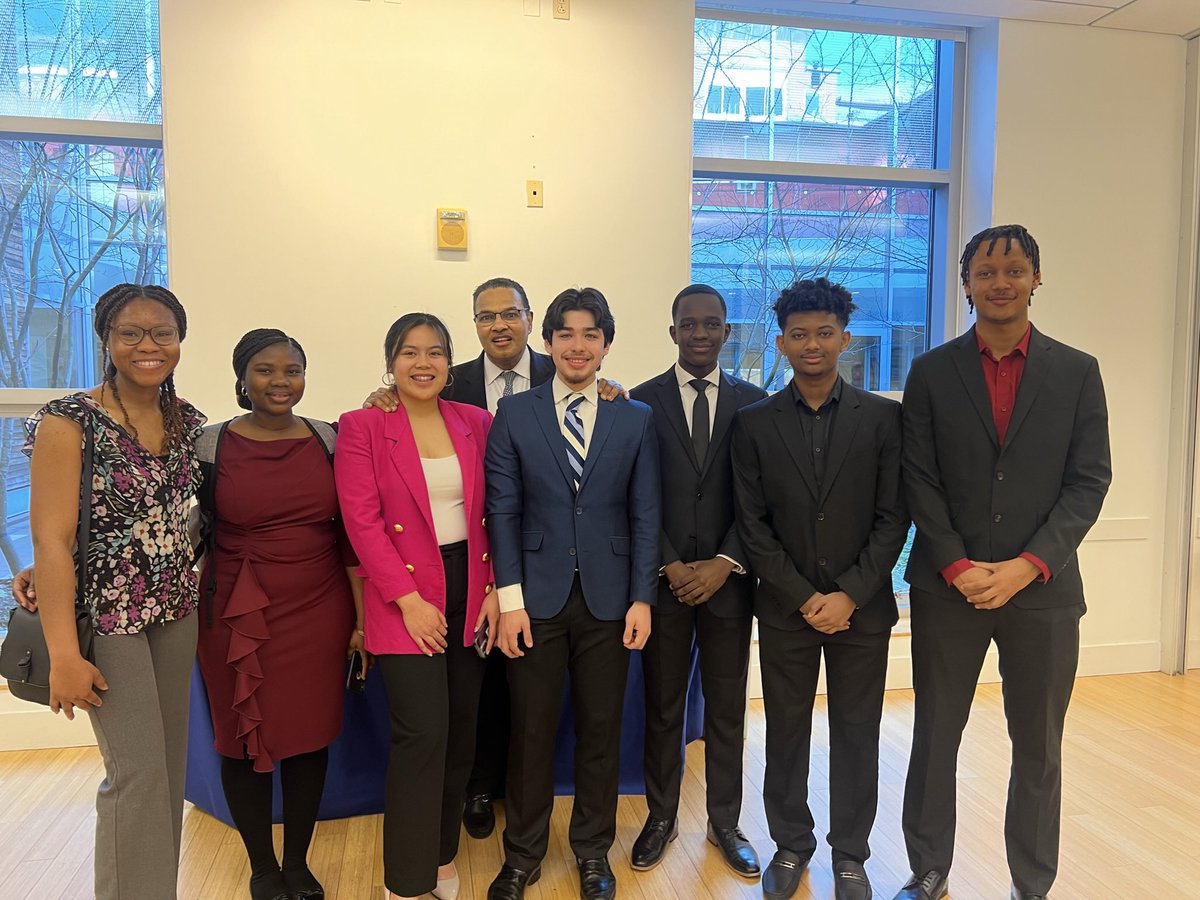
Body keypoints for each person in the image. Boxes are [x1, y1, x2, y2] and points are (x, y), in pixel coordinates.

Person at [895, 225, 1110, 900]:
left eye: (1014, 270)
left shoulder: (1078, 372)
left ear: (1036, 279)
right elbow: (917, 477)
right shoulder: (930, 372)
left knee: (1039, 747)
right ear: (966, 285)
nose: (1000, 282)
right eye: (985, 272)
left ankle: (1032, 881)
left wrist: (1027, 565)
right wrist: (956, 565)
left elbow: (1089, 481)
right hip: (945, 589)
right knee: (935, 737)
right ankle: (929, 870)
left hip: (1042, 594)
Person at [21, 284, 204, 899]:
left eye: (162, 333)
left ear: (180, 341)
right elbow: (49, 539)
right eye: (131, 332)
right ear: (107, 339)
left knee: (167, 773)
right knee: (137, 774)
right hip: (108, 621)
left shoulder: (188, 421)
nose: (148, 346)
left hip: (177, 613)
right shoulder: (68, 420)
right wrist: (65, 655)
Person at [732, 278, 908, 900]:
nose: (813, 345)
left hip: (862, 610)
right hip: (785, 609)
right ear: (781, 343)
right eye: (800, 335)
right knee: (784, 731)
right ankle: (791, 844)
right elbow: (752, 526)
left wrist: (850, 594)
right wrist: (805, 596)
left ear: (845, 339)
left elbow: (895, 518)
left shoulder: (886, 418)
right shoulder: (753, 424)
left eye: (824, 334)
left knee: (858, 732)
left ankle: (852, 855)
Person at [484, 287, 660, 900]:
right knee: (529, 732)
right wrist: (509, 601)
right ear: (548, 342)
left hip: (612, 602)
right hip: (534, 600)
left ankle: (592, 852)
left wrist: (643, 598)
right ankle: (523, 855)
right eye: (565, 334)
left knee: (600, 729)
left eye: (590, 334)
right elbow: (501, 510)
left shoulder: (633, 418)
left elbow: (645, 514)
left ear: (606, 345)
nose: (577, 345)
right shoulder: (516, 414)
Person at [193, 328, 363, 900]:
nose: (280, 381)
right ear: (242, 378)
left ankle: (297, 863)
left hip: (318, 608)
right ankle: (262, 866)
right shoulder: (208, 445)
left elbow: (350, 537)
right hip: (233, 610)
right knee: (240, 735)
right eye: (266, 370)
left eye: (292, 370)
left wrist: (361, 621)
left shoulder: (329, 439)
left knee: (309, 737)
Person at [335, 313, 499, 900]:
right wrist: (408, 600)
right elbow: (361, 521)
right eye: (409, 352)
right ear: (390, 361)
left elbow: (498, 513)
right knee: (422, 733)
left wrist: (492, 593)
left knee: (460, 731)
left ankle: (441, 856)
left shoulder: (476, 422)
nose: (422, 363)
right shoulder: (362, 426)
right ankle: (406, 881)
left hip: (472, 589)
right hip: (403, 592)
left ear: (450, 362)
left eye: (434, 352)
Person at [628, 284, 766, 878]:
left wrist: (725, 561)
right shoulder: (636, 403)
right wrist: (668, 562)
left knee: (727, 709)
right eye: (690, 324)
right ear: (673, 331)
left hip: (729, 583)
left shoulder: (756, 404)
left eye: (712, 324)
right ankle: (661, 818)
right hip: (663, 583)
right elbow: (630, 495)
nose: (701, 333)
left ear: (727, 332)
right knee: (662, 707)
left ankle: (725, 822)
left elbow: (761, 499)